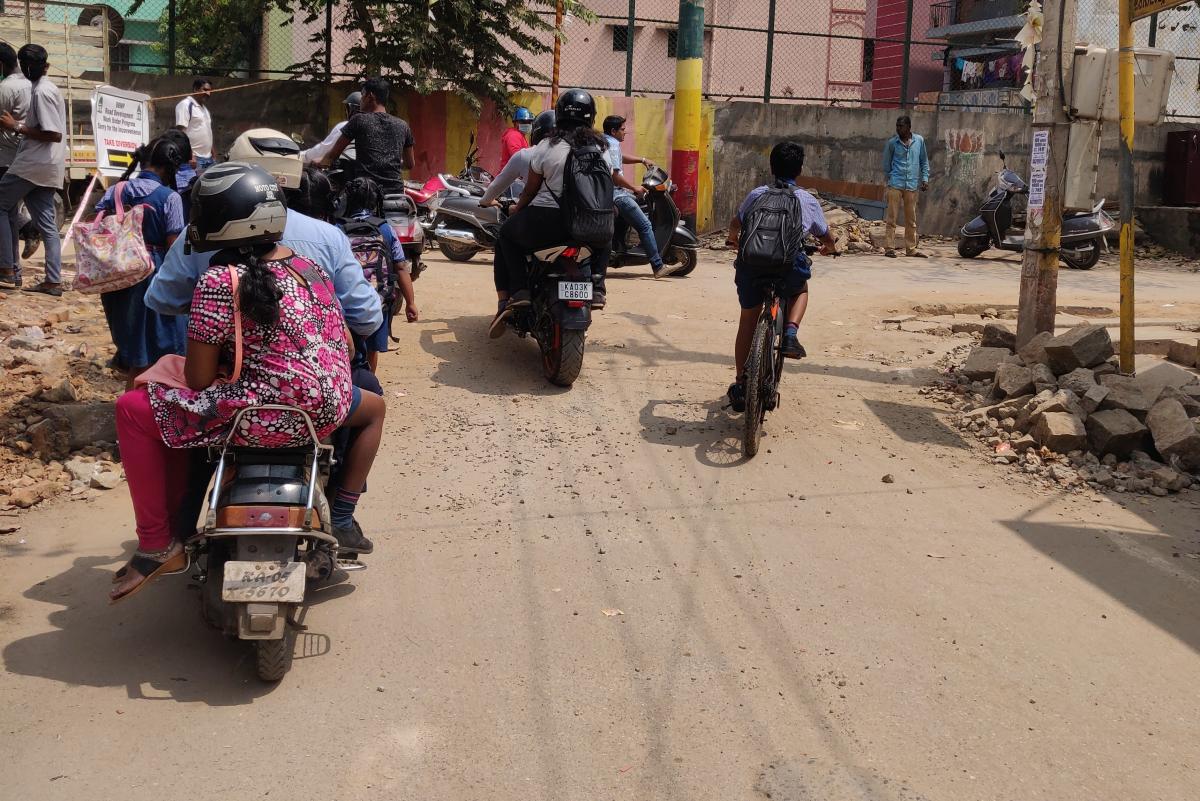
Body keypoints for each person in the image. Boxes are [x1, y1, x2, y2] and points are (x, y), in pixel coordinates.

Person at [109, 162, 386, 602]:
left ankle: (157, 541)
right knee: (377, 408)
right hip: (324, 410)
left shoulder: (218, 280)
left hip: (254, 417)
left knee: (132, 409)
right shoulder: (311, 268)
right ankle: (346, 513)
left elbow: (199, 380)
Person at [147, 127, 383, 336]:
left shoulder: (202, 233)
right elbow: (367, 318)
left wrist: (212, 312)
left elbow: (162, 298)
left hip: (220, 373)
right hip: (319, 375)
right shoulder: (330, 237)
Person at [723, 141, 837, 412]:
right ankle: (790, 334)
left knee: (747, 320)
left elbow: (736, 223)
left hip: (752, 266)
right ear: (799, 170)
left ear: (772, 167)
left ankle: (741, 384)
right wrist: (830, 247)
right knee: (800, 290)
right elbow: (825, 234)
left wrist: (732, 240)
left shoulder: (757, 194)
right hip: (787, 267)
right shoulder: (806, 199)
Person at [492, 89, 611, 329]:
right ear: (591, 117)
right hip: (589, 225)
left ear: (559, 115)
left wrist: (517, 210)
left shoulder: (547, 145)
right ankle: (597, 286)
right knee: (606, 234)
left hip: (547, 222)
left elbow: (530, 190)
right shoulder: (602, 148)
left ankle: (520, 290)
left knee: (506, 234)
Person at [95, 137, 189, 386]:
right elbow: (174, 247)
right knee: (156, 346)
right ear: (171, 168)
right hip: (149, 275)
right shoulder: (170, 198)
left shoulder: (114, 190)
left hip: (114, 276)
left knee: (133, 341)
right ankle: (143, 409)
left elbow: (97, 226)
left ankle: (130, 397)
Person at [480, 110, 554, 336]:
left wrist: (486, 201)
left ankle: (507, 300)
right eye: (523, 122)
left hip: (535, 218)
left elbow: (498, 185)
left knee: (505, 237)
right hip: (575, 223)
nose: (525, 126)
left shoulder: (526, 154)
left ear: (536, 131)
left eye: (529, 123)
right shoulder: (577, 153)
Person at [0, 44, 65, 295]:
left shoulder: (42, 92)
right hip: (47, 165)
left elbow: (53, 134)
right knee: (47, 225)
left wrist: (15, 126)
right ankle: (53, 281)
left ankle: (6, 268)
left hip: (34, 163)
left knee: (2, 204)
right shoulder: (42, 89)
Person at [339, 176, 417, 371]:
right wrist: (411, 303)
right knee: (371, 350)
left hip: (344, 302)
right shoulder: (386, 229)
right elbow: (400, 267)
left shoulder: (338, 229)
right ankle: (370, 383)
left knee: (343, 348)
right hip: (378, 301)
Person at [602, 114, 678, 279]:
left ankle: (621, 248)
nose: (625, 133)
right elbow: (615, 175)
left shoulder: (604, 141)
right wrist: (634, 187)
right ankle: (658, 266)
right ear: (614, 131)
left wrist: (642, 160)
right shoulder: (613, 145)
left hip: (607, 192)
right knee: (644, 225)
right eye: (622, 130)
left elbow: (619, 159)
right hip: (617, 193)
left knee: (627, 218)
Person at [319, 77, 414, 195]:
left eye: (362, 95)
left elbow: (333, 155)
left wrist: (319, 162)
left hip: (367, 193)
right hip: (396, 194)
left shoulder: (358, 120)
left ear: (370, 97)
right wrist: (389, 161)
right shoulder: (403, 125)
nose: (361, 101)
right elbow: (410, 164)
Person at [881, 115, 930, 259]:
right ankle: (889, 248)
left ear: (909, 127)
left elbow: (924, 162)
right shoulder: (892, 143)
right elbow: (886, 164)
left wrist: (925, 179)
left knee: (911, 219)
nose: (898, 129)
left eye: (901, 126)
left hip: (911, 185)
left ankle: (911, 249)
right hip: (895, 185)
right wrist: (891, 178)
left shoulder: (919, 141)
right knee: (891, 218)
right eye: (897, 126)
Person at [0, 43, 31, 264]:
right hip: (26, 154)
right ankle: (12, 268)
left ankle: (8, 266)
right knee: (10, 210)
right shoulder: (33, 85)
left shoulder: (6, 88)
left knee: (4, 210)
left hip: (6, 156)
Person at [302, 91, 360, 165]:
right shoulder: (374, 125)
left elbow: (323, 149)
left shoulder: (346, 125)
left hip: (347, 169)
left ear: (350, 108)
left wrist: (304, 156)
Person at [175, 77, 214, 173]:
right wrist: (190, 155)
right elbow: (181, 133)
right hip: (194, 159)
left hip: (208, 159)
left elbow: (207, 132)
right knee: (191, 187)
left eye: (210, 91)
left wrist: (213, 153)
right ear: (195, 89)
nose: (208, 93)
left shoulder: (204, 109)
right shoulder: (185, 105)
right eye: (205, 90)